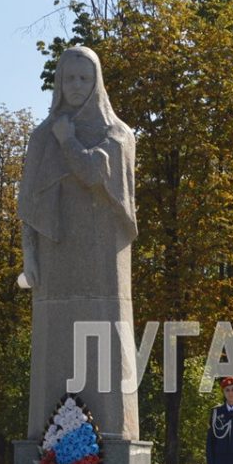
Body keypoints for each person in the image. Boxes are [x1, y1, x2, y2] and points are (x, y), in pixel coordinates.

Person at [18, 46, 139, 440]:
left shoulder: (118, 135)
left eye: (84, 78)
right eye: (68, 78)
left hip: (104, 262)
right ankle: (49, 435)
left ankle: (111, 432)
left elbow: (91, 171)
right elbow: (29, 206)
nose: (75, 86)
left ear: (97, 82)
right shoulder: (42, 137)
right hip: (56, 261)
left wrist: (67, 140)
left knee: (104, 343)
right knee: (54, 346)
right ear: (58, 83)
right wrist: (29, 257)